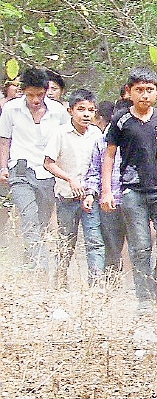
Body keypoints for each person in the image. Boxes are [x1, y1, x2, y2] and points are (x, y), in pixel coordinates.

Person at [101, 68, 157, 314]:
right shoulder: (121, 121)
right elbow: (109, 156)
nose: (145, 95)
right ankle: (144, 298)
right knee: (141, 246)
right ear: (129, 92)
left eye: (149, 90)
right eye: (139, 90)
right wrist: (106, 190)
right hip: (132, 190)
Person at [0, 68, 69, 269]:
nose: (36, 100)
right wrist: (3, 167)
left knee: (42, 220)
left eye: (40, 94)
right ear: (23, 92)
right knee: (28, 217)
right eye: (31, 95)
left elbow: (65, 139)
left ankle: (30, 260)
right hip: (20, 169)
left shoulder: (58, 112)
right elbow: (4, 140)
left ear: (46, 91)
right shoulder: (11, 109)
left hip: (48, 173)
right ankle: (41, 266)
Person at [43, 89, 104, 285]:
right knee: (66, 241)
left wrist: (92, 192)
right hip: (66, 197)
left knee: (94, 241)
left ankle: (96, 285)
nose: (86, 114)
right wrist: (69, 178)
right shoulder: (60, 134)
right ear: (70, 111)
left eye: (91, 110)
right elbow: (48, 162)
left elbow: (101, 164)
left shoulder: (96, 134)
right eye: (81, 109)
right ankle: (60, 279)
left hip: (89, 197)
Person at [83, 101, 126, 278]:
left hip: (136, 200)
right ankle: (111, 285)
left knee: (140, 245)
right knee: (112, 247)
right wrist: (92, 194)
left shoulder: (143, 140)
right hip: (110, 202)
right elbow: (94, 171)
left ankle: (139, 287)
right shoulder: (102, 141)